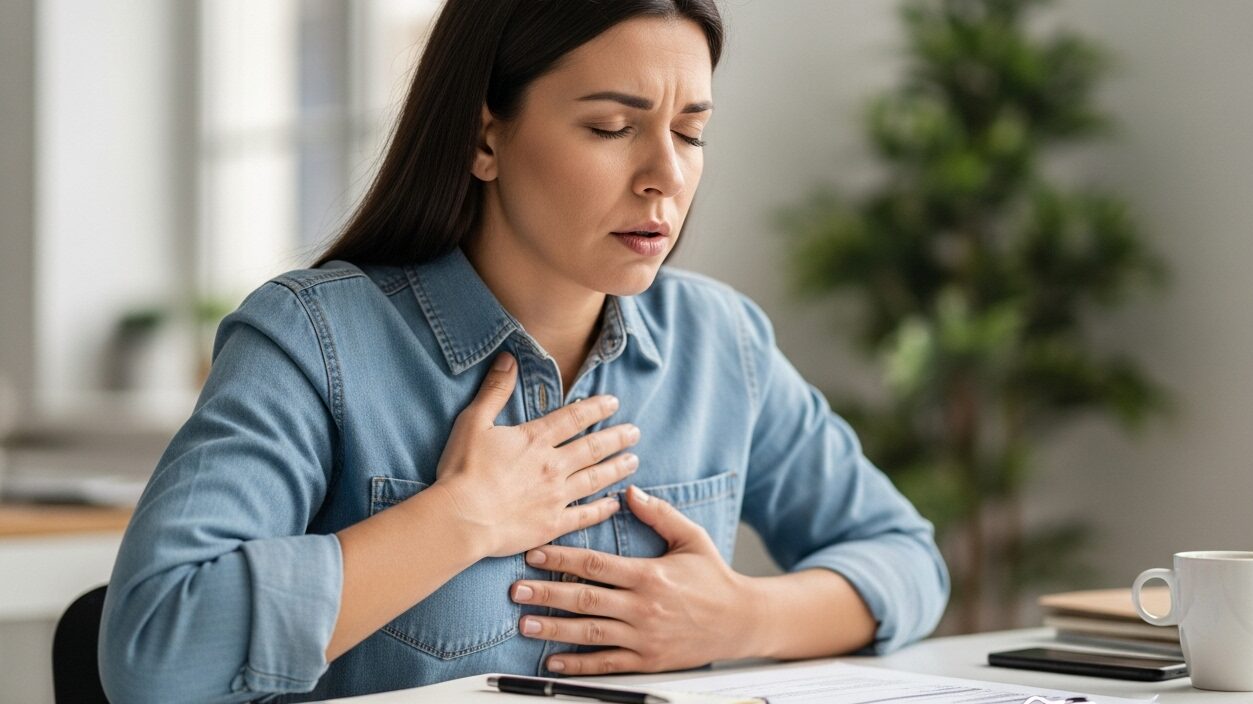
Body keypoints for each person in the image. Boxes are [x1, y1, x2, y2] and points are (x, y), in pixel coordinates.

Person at [97, 1, 949, 702]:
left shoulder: (722, 343)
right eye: (613, 126)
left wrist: (741, 619)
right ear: (484, 138)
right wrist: (459, 519)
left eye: (690, 133)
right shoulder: (312, 341)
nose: (666, 176)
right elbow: (154, 653)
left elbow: (906, 560)